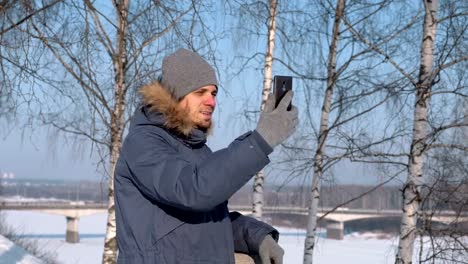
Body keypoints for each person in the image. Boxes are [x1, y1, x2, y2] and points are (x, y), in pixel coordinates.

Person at [114, 48, 298, 264]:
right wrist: (259, 142)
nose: (211, 102)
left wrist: (257, 237)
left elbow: (208, 222)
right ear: (175, 95)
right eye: (200, 92)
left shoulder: (197, 150)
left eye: (213, 93)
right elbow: (193, 191)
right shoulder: (143, 143)